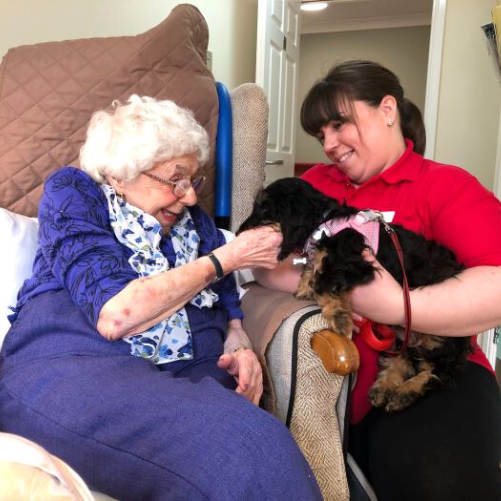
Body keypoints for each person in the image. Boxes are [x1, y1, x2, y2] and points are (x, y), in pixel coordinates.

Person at [0, 95, 322, 501]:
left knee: (244, 443)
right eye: (176, 179)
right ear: (120, 174)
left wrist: (239, 341)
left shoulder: (195, 223)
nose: (189, 197)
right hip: (76, 360)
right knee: (242, 445)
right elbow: (116, 313)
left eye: (194, 180)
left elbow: (227, 301)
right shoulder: (76, 194)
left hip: (183, 370)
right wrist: (225, 258)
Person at [255, 60, 501, 500]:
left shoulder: (444, 186)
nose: (328, 144)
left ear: (388, 109)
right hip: (337, 387)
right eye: (320, 134)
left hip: (434, 375)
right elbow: (263, 262)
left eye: (338, 124)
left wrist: (392, 305)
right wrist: (321, 277)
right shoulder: (313, 184)